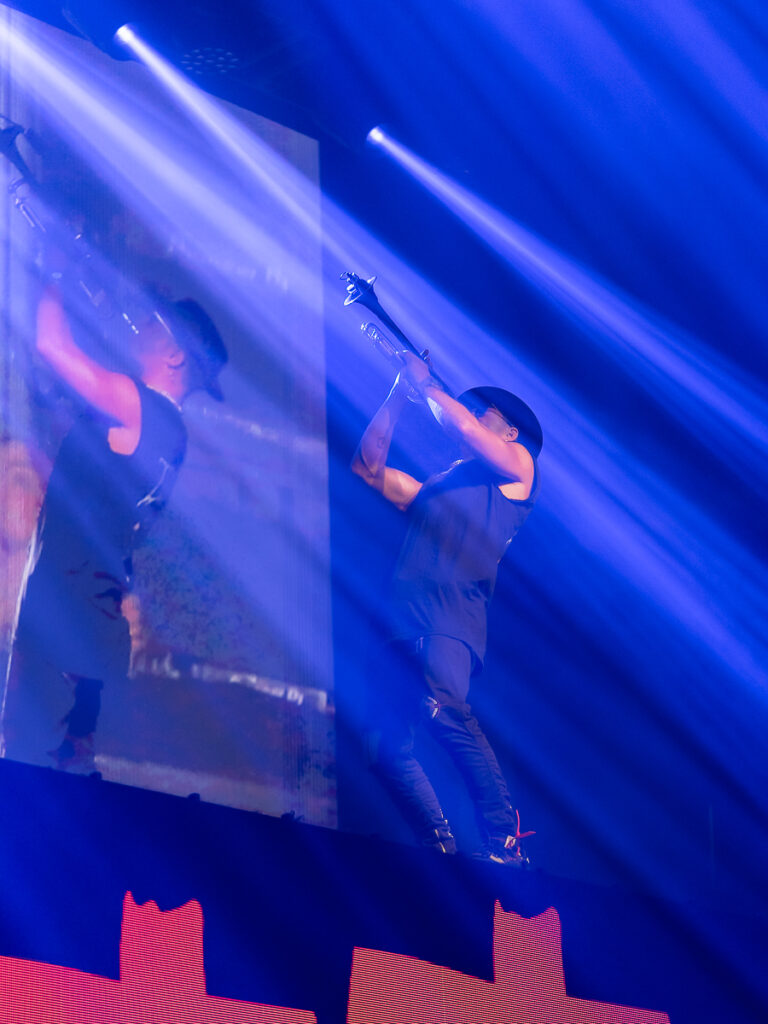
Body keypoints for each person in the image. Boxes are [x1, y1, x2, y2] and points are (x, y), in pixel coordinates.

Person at [1, 284, 227, 773]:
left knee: (24, 768)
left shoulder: (136, 403)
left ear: (173, 355)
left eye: (153, 322)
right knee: (68, 769)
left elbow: (52, 348)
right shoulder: (175, 436)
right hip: (93, 629)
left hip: (61, 615)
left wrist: (53, 279)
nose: (139, 324)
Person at [352, 351, 542, 864]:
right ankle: (439, 844)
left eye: (486, 415)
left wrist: (426, 386)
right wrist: (398, 394)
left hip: (451, 621)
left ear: (511, 436)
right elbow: (368, 469)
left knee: (440, 707)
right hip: (402, 622)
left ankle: (503, 835)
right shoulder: (439, 485)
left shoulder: (518, 472)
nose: (473, 416)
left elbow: (461, 428)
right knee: (383, 743)